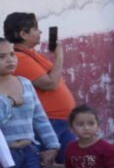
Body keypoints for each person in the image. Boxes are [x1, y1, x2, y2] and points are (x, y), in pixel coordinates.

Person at [0, 38, 59, 168]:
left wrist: (52, 145)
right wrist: (8, 101)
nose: (9, 60)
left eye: (12, 54)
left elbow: (39, 118)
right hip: (4, 161)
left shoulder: (25, 83)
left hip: (29, 154)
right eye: (2, 56)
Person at [5, 12, 76, 155]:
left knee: (71, 164)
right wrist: (59, 56)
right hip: (50, 122)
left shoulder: (31, 54)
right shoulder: (19, 58)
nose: (40, 32)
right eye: (36, 29)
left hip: (60, 121)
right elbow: (50, 84)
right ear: (23, 34)